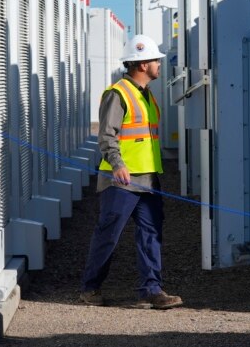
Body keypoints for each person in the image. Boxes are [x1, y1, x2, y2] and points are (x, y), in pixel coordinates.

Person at [79, 34, 183, 310]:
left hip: (148, 178)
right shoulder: (118, 94)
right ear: (141, 65)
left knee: (151, 233)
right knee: (108, 234)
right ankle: (90, 289)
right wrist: (117, 164)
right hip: (121, 180)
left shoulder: (146, 95)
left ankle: (151, 290)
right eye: (155, 60)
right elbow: (107, 134)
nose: (159, 64)